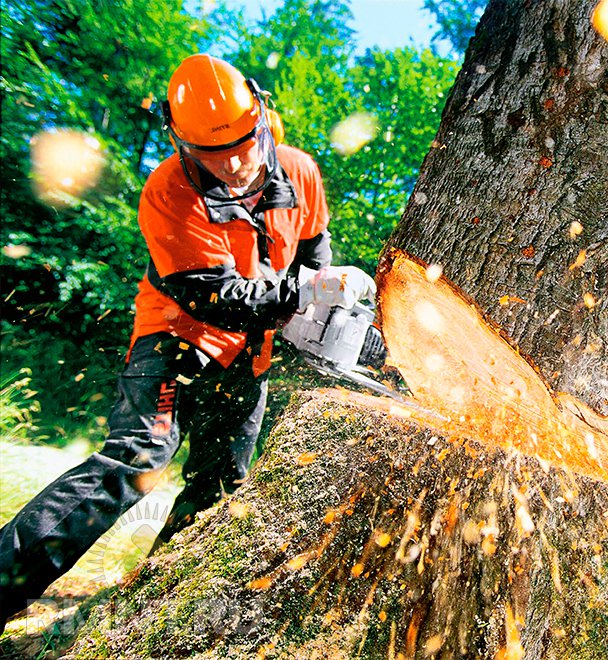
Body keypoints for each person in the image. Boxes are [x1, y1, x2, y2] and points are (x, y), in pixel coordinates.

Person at [0, 54, 376, 625]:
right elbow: (213, 297)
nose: (235, 164)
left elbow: (312, 253)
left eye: (245, 145)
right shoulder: (168, 191)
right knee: (136, 460)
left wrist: (322, 298)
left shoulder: (300, 173)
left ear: (261, 119)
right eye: (214, 154)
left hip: (251, 356)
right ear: (182, 141)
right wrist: (306, 291)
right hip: (175, 341)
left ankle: (143, 612)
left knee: (219, 489)